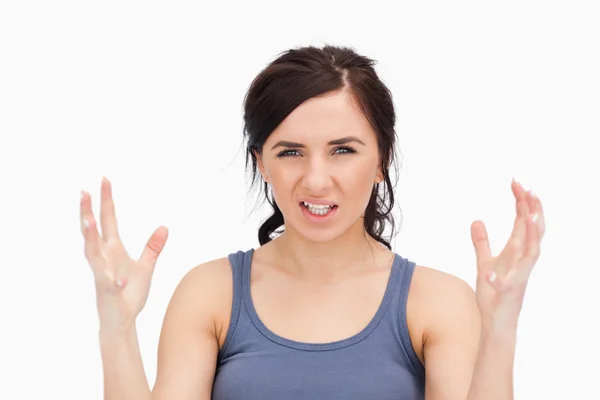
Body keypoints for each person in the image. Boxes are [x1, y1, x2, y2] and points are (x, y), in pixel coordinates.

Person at [79, 45, 545, 400]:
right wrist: (116, 328)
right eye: (290, 153)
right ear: (262, 163)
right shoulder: (210, 293)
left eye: (343, 150)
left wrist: (500, 327)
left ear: (381, 160)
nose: (316, 180)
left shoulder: (436, 301)